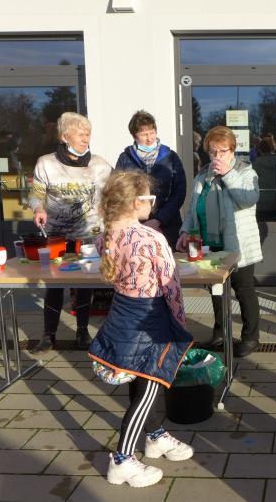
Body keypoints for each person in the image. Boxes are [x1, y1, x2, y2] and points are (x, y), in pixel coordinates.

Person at [89, 171, 194, 488]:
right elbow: (171, 287)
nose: (154, 203)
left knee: (139, 377)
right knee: (150, 386)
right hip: (151, 319)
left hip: (123, 315)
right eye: (150, 198)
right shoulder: (150, 238)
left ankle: (155, 436)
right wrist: (180, 322)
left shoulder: (106, 235)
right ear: (136, 202)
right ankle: (122, 459)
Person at [28, 112, 112, 354]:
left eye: (88, 134)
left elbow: (115, 192)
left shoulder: (100, 164)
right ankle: (48, 335)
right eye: (80, 134)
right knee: (54, 285)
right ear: (65, 137)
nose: (86, 139)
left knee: (84, 284)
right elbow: (36, 193)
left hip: (89, 234)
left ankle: (82, 332)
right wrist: (38, 208)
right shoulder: (46, 163)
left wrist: (108, 208)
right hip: (56, 235)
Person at [176, 126, 263, 358]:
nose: (217, 156)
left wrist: (227, 174)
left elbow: (249, 199)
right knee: (216, 290)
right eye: (213, 151)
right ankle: (221, 333)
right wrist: (185, 231)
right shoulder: (203, 175)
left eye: (222, 151)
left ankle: (251, 337)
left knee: (243, 290)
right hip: (209, 243)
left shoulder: (245, 171)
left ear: (232, 150)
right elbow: (193, 209)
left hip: (238, 245)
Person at [115, 110, 187, 249]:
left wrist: (159, 220)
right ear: (134, 135)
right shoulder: (125, 158)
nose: (149, 138)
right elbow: (119, 193)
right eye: (143, 135)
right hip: (135, 226)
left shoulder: (171, 157)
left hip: (169, 225)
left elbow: (179, 193)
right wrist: (135, 220)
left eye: (152, 133)